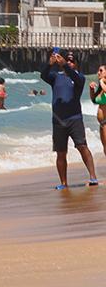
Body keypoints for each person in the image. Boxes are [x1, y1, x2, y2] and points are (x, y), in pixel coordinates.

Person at [42, 50, 98, 189]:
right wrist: (49, 65)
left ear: (77, 64)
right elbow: (43, 76)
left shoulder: (79, 77)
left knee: (82, 146)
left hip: (75, 119)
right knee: (61, 152)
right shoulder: (56, 77)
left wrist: (64, 65)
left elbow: (76, 77)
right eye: (68, 60)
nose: (69, 62)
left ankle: (93, 177)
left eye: (72, 61)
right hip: (58, 121)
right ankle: (63, 183)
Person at [91, 65, 106, 166]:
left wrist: (101, 81)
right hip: (102, 123)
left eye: (101, 71)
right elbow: (94, 100)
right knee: (105, 148)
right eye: (98, 70)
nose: (98, 73)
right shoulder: (101, 87)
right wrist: (91, 90)